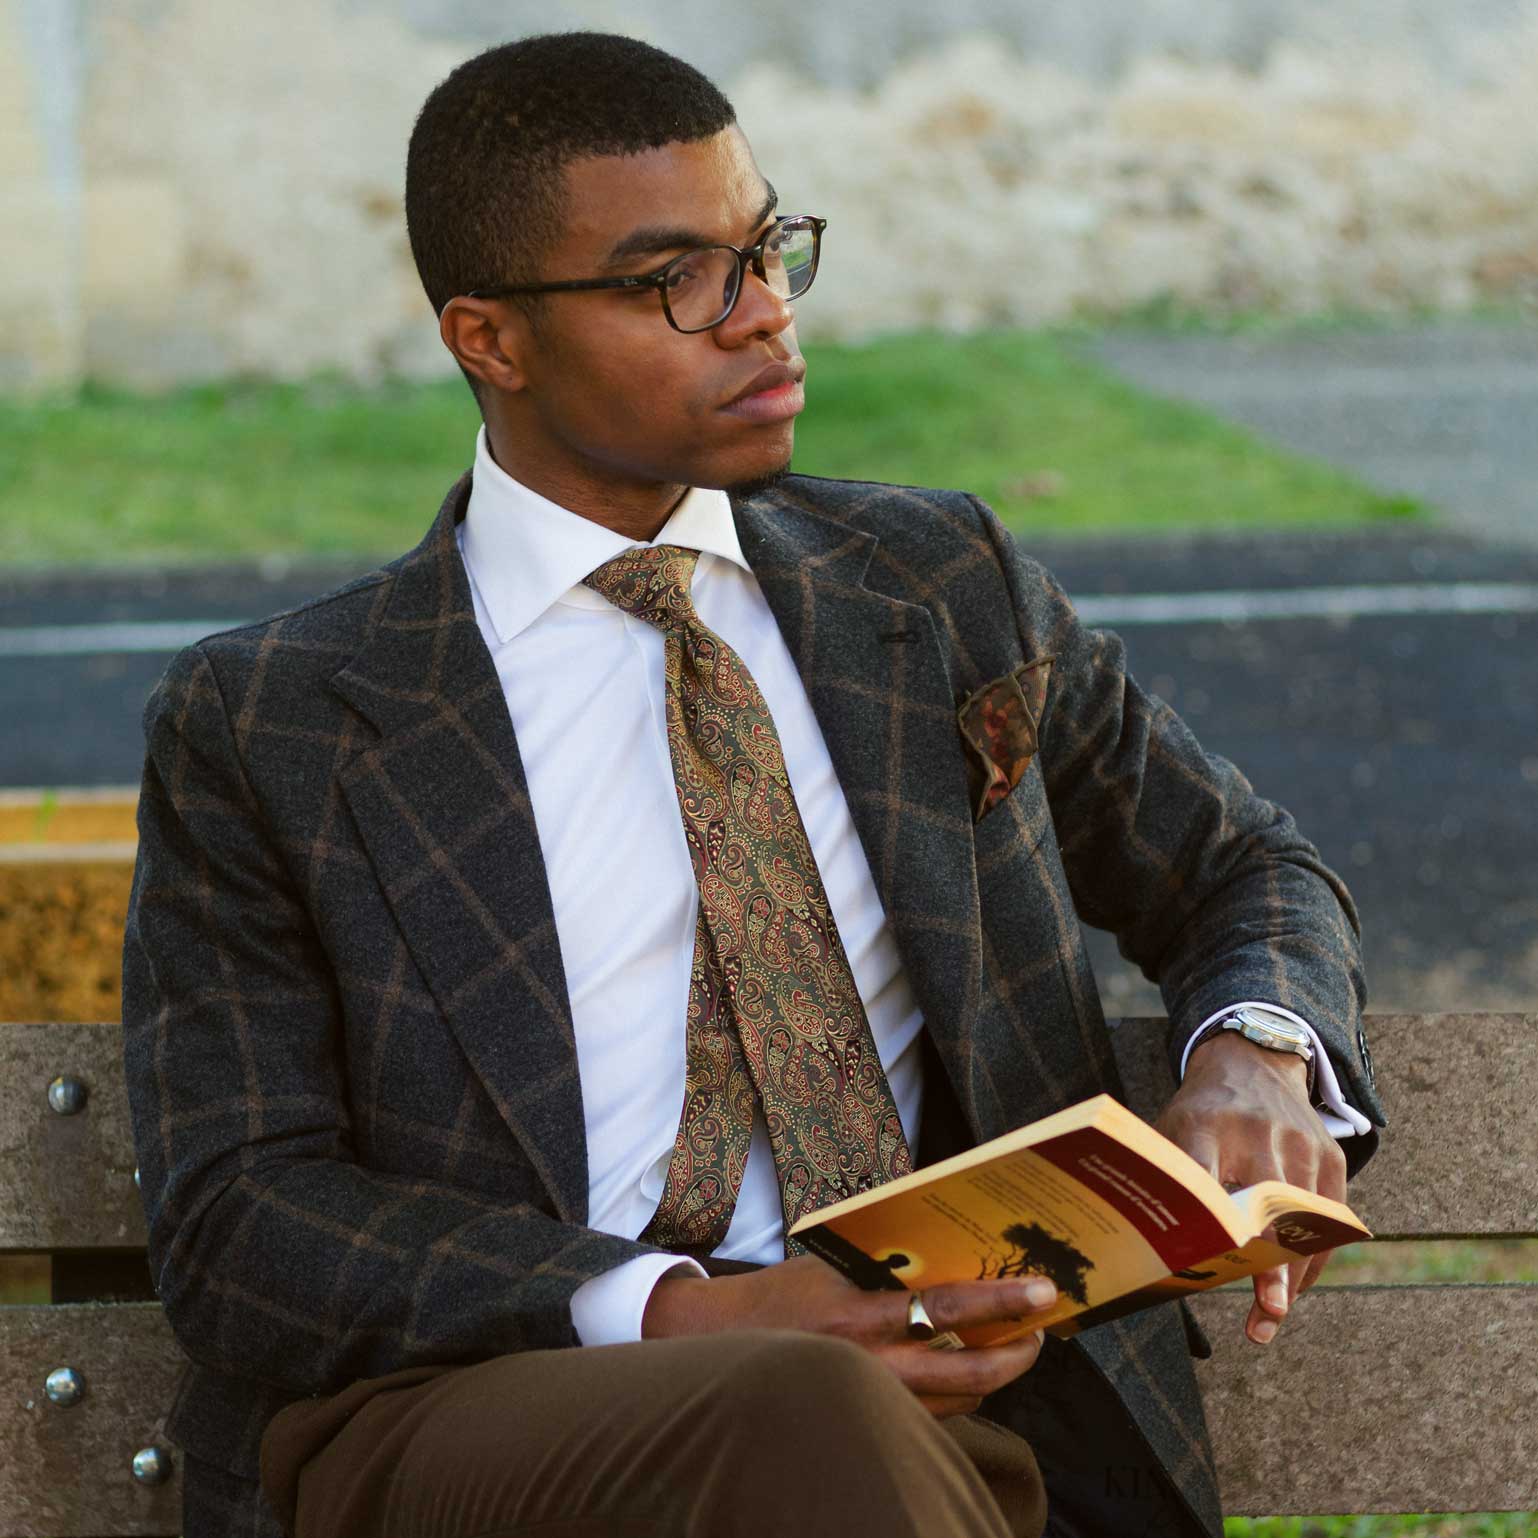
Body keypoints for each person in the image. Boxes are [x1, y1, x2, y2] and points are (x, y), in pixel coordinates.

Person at [121, 31, 1386, 1538]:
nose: (763, 315)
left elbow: (1240, 862)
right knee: (801, 1404)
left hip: (960, 1400)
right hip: (490, 1406)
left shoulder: (928, 589)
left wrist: (1255, 1049)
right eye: (676, 281)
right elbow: (240, 1214)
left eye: (766, 245)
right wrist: (685, 1315)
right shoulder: (280, 719)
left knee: (841, 1423)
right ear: (490, 338)